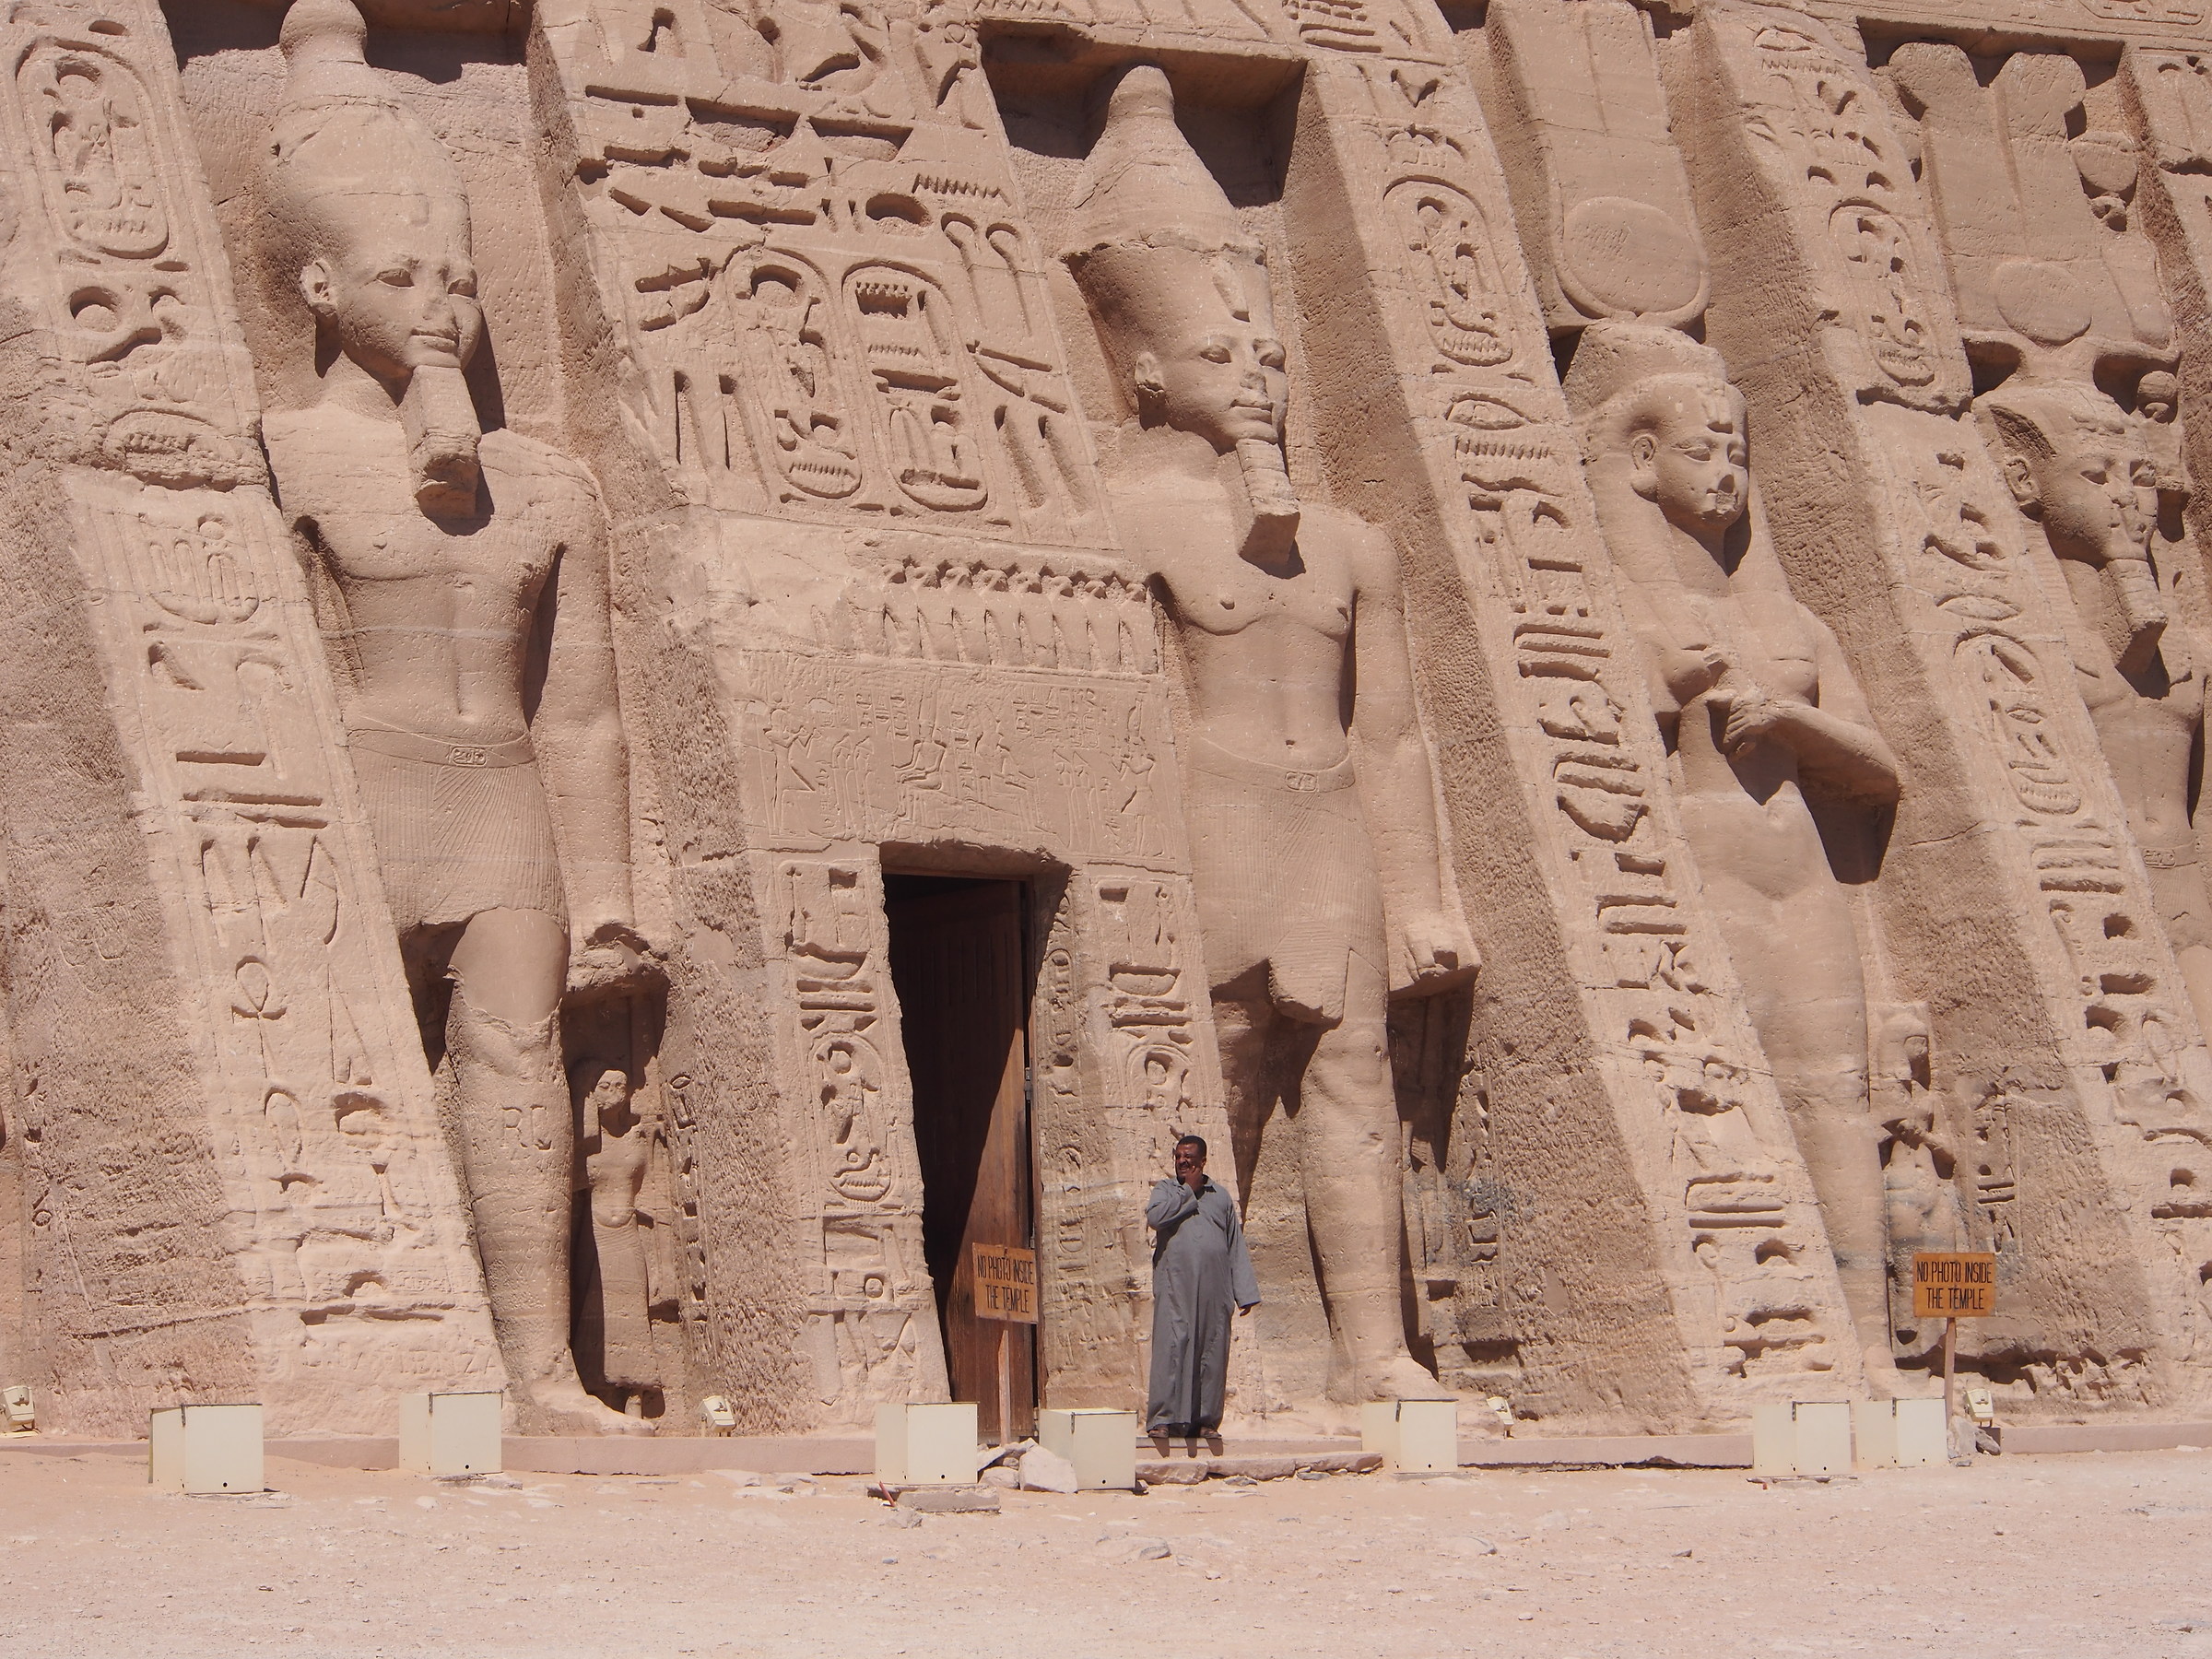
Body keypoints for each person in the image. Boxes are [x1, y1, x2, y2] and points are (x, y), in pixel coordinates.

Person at [259, 0, 646, 1432]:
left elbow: (587, 713)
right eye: (400, 273)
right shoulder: (284, 461)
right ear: (315, 286)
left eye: (458, 280)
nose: (439, 305)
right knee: (343, 1063)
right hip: (357, 790)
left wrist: (606, 890)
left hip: (504, 807)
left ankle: (541, 1371)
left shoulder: (544, 485)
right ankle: (358, 1363)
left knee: (517, 1072)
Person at [1068, 65, 1475, 1405]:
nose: (1254, 379)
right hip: (1211, 820)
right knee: (1214, 1085)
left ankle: (1377, 1352)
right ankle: (1209, 1362)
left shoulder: (1355, 546)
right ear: (1143, 372)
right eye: (1218, 357)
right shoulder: (1127, 523)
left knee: (1358, 1083)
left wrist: (1421, 893)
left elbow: (1397, 735)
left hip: (1329, 826)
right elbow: (1115, 715)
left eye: (1268, 356)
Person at [1146, 1135, 1258, 1450]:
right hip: (1175, 1286)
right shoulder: (1165, 1191)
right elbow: (1156, 1218)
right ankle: (1161, 1421)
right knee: (1172, 1347)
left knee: (1211, 1351)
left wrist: (1244, 1292)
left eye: (1189, 1159)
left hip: (1214, 1288)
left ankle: (1206, 1421)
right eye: (1179, 1157)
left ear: (1203, 1162)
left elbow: (1235, 1244)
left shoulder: (1220, 1197)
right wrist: (1188, 1191)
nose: (1183, 1162)